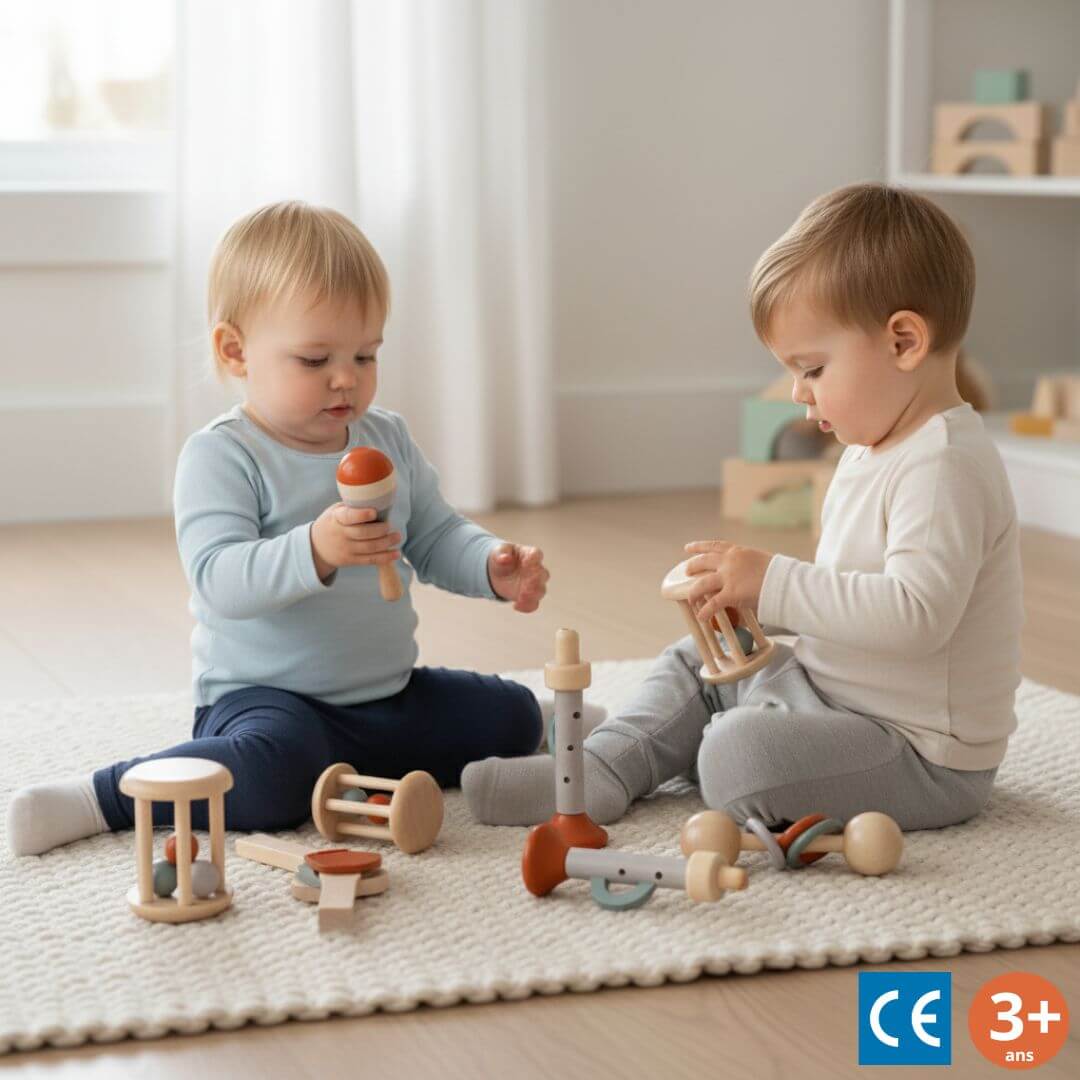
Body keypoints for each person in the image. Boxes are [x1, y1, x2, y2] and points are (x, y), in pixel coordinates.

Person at [464, 182, 1022, 833]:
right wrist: (758, 611)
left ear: (903, 342)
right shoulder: (875, 447)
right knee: (693, 661)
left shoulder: (944, 464)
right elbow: (852, 601)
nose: (796, 391)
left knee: (737, 755)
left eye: (811, 369)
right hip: (833, 698)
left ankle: (701, 750)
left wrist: (776, 585)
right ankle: (599, 773)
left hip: (920, 753)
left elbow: (917, 617)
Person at [7, 201, 550, 855]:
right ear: (236, 352)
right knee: (272, 780)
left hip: (387, 695)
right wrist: (315, 549)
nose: (346, 377)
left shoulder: (389, 438)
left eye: (366, 354)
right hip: (267, 704)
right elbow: (219, 580)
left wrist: (492, 564)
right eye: (315, 359)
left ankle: (421, 760)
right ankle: (106, 795)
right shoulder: (222, 455)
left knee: (515, 715)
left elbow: (433, 536)